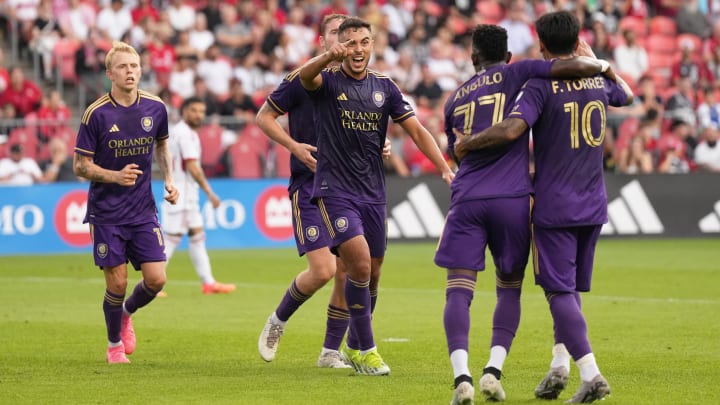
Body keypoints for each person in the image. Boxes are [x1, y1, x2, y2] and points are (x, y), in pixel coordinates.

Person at [454, 11, 633, 403]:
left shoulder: (539, 85)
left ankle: (591, 373)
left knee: (557, 290)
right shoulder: (599, 81)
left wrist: (467, 143)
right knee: (569, 290)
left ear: (542, 47)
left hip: (555, 205)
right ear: (578, 41)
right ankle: (559, 366)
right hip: (594, 204)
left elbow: (514, 128)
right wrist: (599, 61)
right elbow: (628, 95)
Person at [298, 17, 454, 376]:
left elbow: (416, 130)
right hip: (334, 190)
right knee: (361, 265)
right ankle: (367, 350)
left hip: (373, 192)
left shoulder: (385, 87)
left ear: (373, 45)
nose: (357, 49)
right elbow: (305, 77)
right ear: (341, 46)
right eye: (350, 43)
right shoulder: (327, 80)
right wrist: (326, 58)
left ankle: (353, 344)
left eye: (364, 42)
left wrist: (444, 167)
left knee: (375, 273)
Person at [73, 41, 179, 364]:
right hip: (106, 214)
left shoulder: (155, 108)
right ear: (110, 74)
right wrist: (114, 176)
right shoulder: (96, 114)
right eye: (122, 67)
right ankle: (113, 345)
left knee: (157, 279)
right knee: (117, 283)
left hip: (142, 210)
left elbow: (162, 145)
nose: (130, 72)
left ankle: (126, 314)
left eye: (134, 66)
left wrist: (170, 180)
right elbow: (80, 166)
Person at [256, 14, 351, 370]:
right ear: (322, 40)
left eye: (348, 34)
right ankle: (277, 321)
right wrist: (294, 145)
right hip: (309, 185)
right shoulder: (301, 78)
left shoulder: (356, 82)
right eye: (335, 34)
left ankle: (329, 352)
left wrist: (380, 146)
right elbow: (263, 117)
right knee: (323, 270)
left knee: (347, 270)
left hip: (346, 185)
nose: (343, 41)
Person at [162, 96, 236, 295]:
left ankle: (208, 283)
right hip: (180, 193)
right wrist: (210, 192)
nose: (198, 115)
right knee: (172, 237)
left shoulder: (181, 132)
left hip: (187, 193)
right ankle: (152, 283)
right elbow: (193, 167)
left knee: (196, 235)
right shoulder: (185, 134)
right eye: (194, 110)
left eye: (201, 111)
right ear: (184, 111)